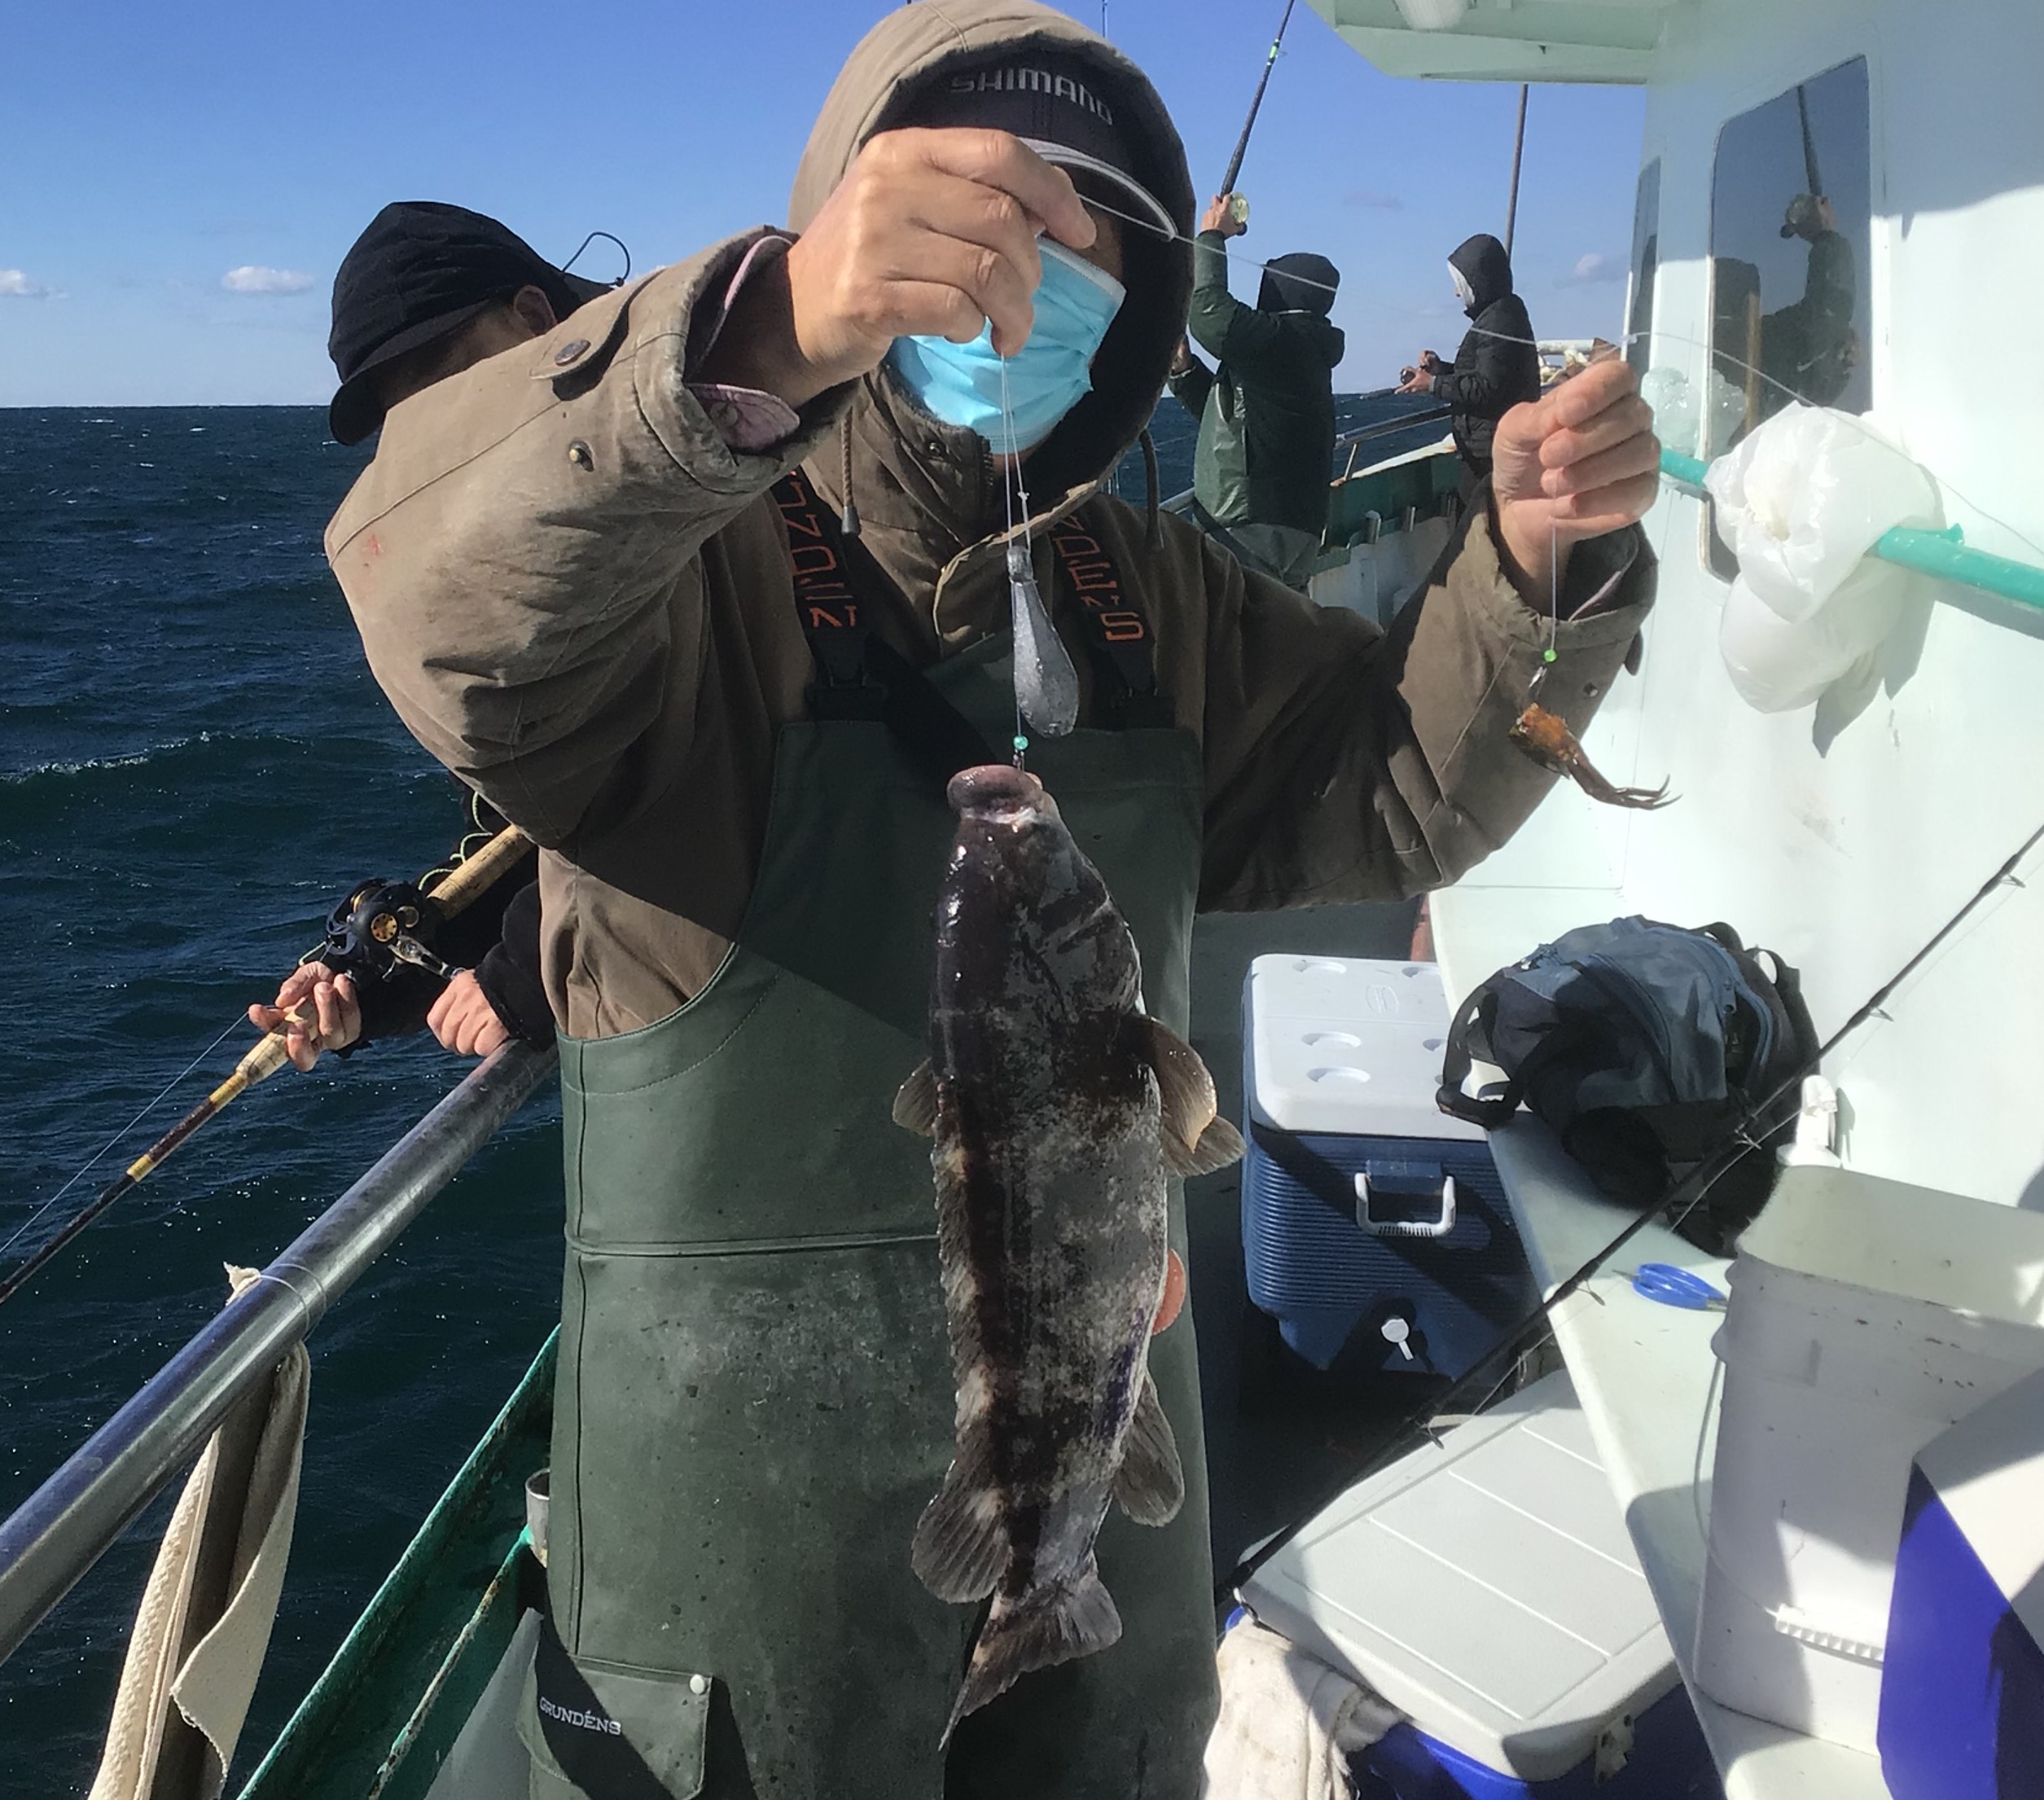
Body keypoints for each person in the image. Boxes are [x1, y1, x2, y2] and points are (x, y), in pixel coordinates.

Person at [322, 6, 1662, 1794]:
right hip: (744, 1586)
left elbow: (1387, 786)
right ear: (853, 215)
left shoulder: (1151, 589)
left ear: (1151, 271)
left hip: (1103, 1554)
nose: (1032, 248)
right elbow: (454, 624)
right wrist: (748, 338)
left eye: (1092, 213)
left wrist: (1536, 580)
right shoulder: (672, 582)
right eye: (974, 190)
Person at [249, 202, 603, 1068]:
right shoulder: (543, 525)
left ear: (535, 318)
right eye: (411, 421)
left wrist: (527, 966)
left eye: (454, 390)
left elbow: (724, 768)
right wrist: (379, 983)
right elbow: (535, 828)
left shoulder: (704, 462)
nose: (446, 443)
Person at [1165, 191, 1343, 591]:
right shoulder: (1305, 352)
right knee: (1279, 637)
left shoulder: (1282, 341)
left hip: (1249, 522)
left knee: (1238, 638)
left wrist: (1213, 236)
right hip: (1300, 526)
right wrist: (1184, 371)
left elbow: (1208, 311)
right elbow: (1242, 418)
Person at [1398, 231, 1542, 495]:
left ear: (1478, 281)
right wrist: (1442, 369)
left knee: (1476, 530)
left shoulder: (1499, 321)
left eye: (1460, 284)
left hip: (1492, 453)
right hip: (1491, 448)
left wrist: (1433, 384)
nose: (1455, 293)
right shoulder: (1500, 315)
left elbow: (1487, 387)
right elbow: (1491, 375)